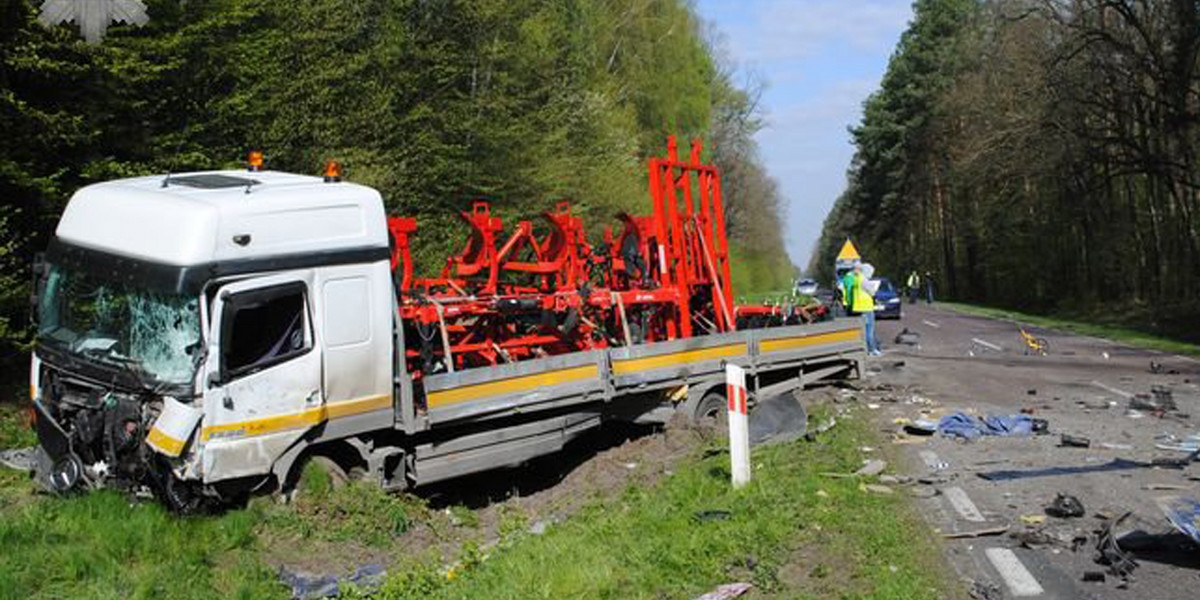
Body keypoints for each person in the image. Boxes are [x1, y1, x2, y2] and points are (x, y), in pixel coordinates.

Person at [845, 264, 882, 356]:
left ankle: (866, 349)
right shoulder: (864, 280)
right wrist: (874, 288)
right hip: (867, 308)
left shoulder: (857, 279)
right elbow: (872, 292)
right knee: (870, 330)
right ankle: (872, 350)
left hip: (859, 308)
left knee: (864, 330)